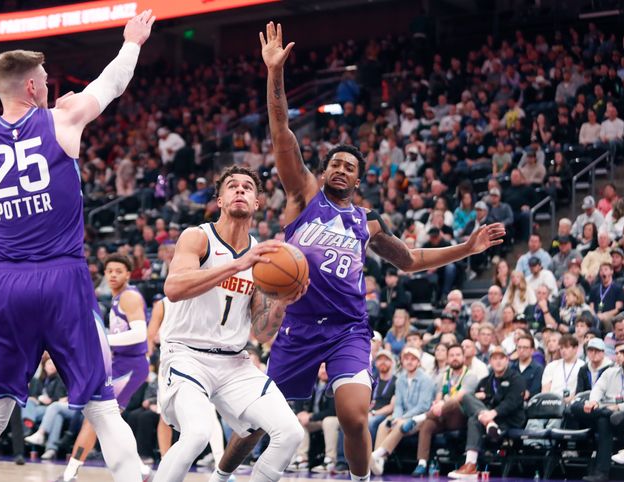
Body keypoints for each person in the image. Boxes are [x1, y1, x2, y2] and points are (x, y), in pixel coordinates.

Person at [213, 23, 505, 482]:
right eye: (335, 163)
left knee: (353, 414)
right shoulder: (304, 195)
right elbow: (281, 129)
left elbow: (410, 260)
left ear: (358, 179)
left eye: (350, 166)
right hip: (300, 325)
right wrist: (275, 74)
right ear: (324, 170)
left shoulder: (367, 222)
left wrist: (466, 248)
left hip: (349, 327)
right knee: (255, 423)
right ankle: (221, 476)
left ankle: (360, 479)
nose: (341, 169)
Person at [0, 11, 155, 482]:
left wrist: (52, 107)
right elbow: (114, 82)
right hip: (60, 277)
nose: (52, 85)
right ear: (34, 88)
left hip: (2, 280)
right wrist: (131, 41)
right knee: (102, 408)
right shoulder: (63, 120)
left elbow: (14, 121)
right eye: (45, 80)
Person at [156, 164, 307, 482]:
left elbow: (264, 331)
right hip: (186, 355)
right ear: (220, 200)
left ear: (257, 203)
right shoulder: (197, 237)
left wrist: (282, 301)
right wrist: (237, 265)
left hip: (233, 363)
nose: (240, 190)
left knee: (290, 433)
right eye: (232, 186)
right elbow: (174, 288)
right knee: (197, 434)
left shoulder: (263, 256)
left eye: (248, 187)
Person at [57, 253, 151, 482]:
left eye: (119, 271)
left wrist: (102, 339)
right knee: (109, 421)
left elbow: (141, 334)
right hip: (119, 364)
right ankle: (142, 470)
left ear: (128, 274)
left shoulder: (129, 297)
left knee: (97, 417)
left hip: (130, 365)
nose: (113, 275)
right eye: (109, 271)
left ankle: (70, 474)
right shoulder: (117, 298)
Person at [448, 346, 526, 478]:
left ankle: (489, 425)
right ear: (490, 361)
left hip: (510, 420)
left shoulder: (516, 379)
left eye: (501, 358)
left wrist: (493, 413)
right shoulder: (486, 380)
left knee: (476, 416)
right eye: (494, 358)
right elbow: (476, 404)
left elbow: (512, 402)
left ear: (507, 360)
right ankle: (470, 465)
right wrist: (481, 400)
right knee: (469, 401)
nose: (498, 361)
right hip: (489, 419)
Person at [410, 343, 481, 476]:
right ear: (447, 359)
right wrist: (438, 404)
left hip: (460, 416)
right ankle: (422, 463)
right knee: (427, 425)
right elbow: (438, 397)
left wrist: (440, 405)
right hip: (441, 416)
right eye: (452, 355)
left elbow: (460, 397)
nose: (455, 358)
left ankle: (423, 416)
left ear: (463, 357)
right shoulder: (442, 376)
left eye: (458, 355)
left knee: (453, 401)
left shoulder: (470, 375)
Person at [369, 347, 434, 476]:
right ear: (402, 362)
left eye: (413, 359)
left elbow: (423, 406)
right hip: (402, 416)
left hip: (419, 418)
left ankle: (376, 454)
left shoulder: (426, 380)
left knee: (399, 424)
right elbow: (398, 404)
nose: (409, 362)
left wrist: (402, 418)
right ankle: (380, 463)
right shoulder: (400, 380)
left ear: (418, 362)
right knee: (385, 424)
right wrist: (396, 417)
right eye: (406, 359)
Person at [578, 343, 624, 482]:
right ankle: (601, 474)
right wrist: (594, 401)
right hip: (608, 413)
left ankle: (601, 473)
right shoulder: (610, 372)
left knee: (609, 418)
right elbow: (598, 389)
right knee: (582, 410)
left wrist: (620, 407)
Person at [541, 334, 584, 401]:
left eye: (566, 347)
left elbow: (581, 390)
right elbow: (545, 390)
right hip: (552, 403)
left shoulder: (582, 366)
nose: (563, 351)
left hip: (573, 403)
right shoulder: (552, 366)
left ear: (575, 349)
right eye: (561, 348)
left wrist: (567, 401)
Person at [510, 333, 543, 400]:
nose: (521, 350)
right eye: (519, 347)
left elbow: (535, 392)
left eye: (525, 348)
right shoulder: (511, 368)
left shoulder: (538, 369)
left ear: (532, 350)